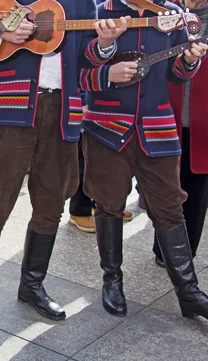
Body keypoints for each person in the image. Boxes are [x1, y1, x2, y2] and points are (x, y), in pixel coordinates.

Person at [0, 0, 126, 334]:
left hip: (64, 108)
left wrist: (107, 44)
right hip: (9, 106)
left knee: (52, 203)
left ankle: (32, 285)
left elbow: (87, 56)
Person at [80, 0, 208, 319]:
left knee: (170, 205)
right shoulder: (97, 10)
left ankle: (188, 292)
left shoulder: (170, 14)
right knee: (109, 203)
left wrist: (190, 61)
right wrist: (107, 62)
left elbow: (177, 74)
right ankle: (112, 282)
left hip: (158, 126)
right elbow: (79, 71)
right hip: (106, 127)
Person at [150, 0, 208, 268]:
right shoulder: (167, 10)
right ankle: (163, 248)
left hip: (203, 116)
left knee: (196, 188)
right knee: (166, 187)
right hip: (166, 109)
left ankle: (185, 255)